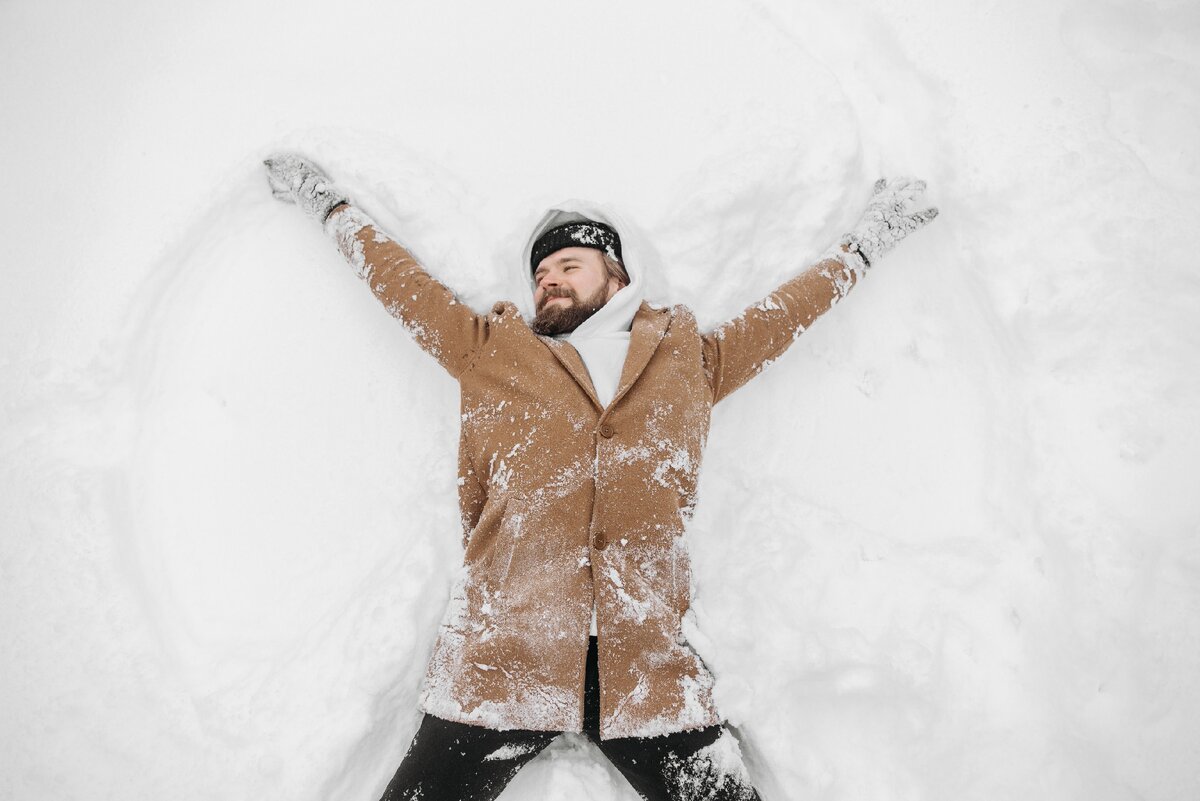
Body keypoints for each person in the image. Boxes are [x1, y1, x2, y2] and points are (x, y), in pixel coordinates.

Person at [263, 154, 938, 801]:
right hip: (508, 659)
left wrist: (865, 245)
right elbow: (397, 279)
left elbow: (788, 312)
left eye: (567, 264)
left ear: (616, 274)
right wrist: (329, 204)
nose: (548, 280)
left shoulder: (687, 360)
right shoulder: (495, 352)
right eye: (540, 273)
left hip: (644, 672)